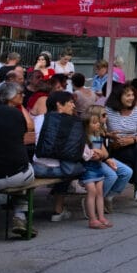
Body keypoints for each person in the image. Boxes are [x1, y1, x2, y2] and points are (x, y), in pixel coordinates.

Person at [32, 91, 87, 222]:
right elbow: (80, 152)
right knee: (77, 168)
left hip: (38, 168)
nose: (73, 106)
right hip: (60, 170)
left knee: (66, 166)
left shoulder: (39, 118)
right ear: (59, 105)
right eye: (70, 102)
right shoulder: (74, 122)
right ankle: (58, 209)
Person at [0, 81, 36, 238]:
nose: (24, 95)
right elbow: (28, 129)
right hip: (17, 176)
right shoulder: (16, 114)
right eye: (21, 93)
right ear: (12, 97)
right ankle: (20, 216)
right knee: (28, 170)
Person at [81, 108, 117, 229]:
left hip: (97, 167)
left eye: (98, 123)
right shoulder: (84, 139)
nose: (98, 125)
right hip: (88, 169)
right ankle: (92, 219)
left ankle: (101, 217)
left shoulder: (97, 137)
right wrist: (95, 153)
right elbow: (86, 154)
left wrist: (99, 154)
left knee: (100, 193)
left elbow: (102, 153)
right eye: (94, 123)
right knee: (92, 192)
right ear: (87, 125)